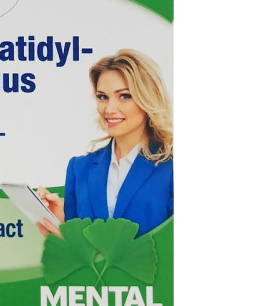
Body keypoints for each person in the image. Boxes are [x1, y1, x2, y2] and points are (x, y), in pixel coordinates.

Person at [37, 49, 173, 238]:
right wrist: (61, 227)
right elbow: (76, 250)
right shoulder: (79, 168)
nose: (109, 109)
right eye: (103, 97)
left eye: (124, 96)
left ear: (147, 98)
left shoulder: (171, 168)